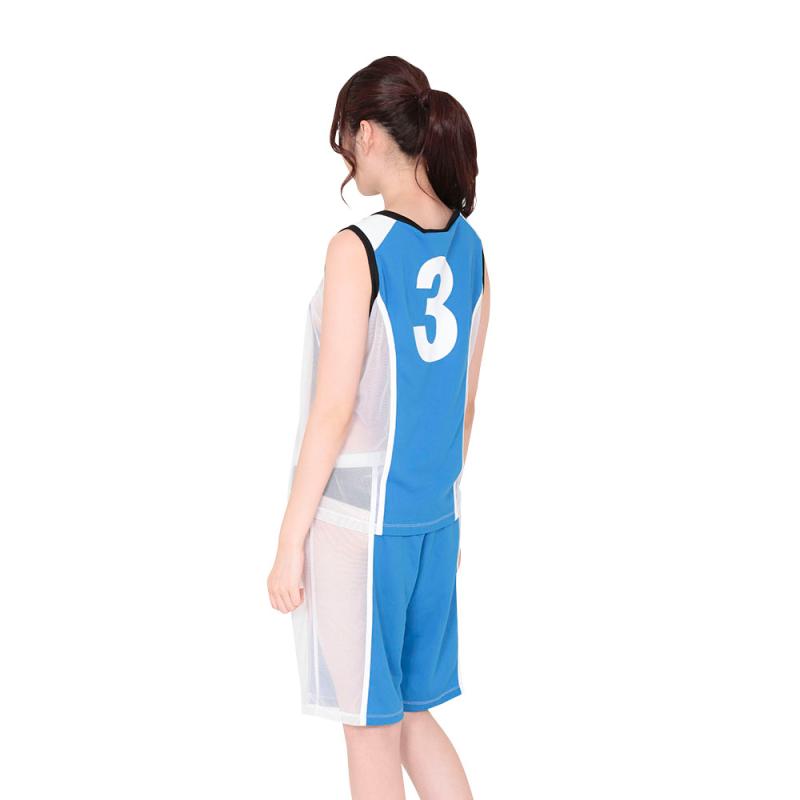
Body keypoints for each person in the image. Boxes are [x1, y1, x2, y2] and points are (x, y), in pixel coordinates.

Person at [267, 55, 491, 800]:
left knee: (370, 731)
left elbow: (332, 412)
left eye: (345, 138)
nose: (345, 157)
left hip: (359, 530)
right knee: (413, 719)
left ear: (367, 133)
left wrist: (290, 541)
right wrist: (434, 511)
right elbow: (463, 408)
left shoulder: (357, 248)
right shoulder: (471, 249)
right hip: (434, 523)